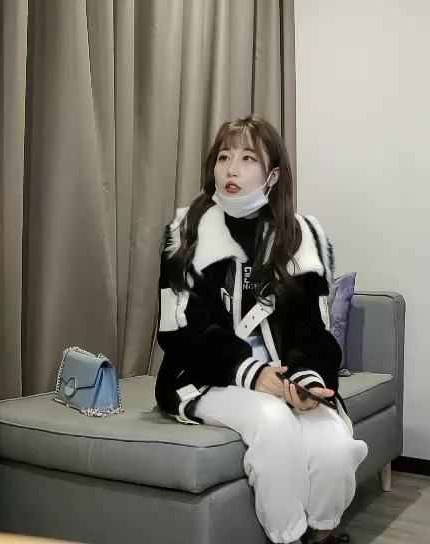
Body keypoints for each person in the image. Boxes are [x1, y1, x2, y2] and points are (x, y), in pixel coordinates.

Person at [155, 115, 367, 544]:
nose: (231, 169)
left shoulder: (302, 236)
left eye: (248, 158)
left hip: (286, 376)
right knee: (273, 422)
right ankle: (288, 538)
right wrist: (251, 374)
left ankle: (320, 536)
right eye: (224, 157)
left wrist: (306, 381)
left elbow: (315, 331)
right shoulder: (187, 233)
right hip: (207, 376)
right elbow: (178, 333)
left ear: (272, 175)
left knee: (335, 448)